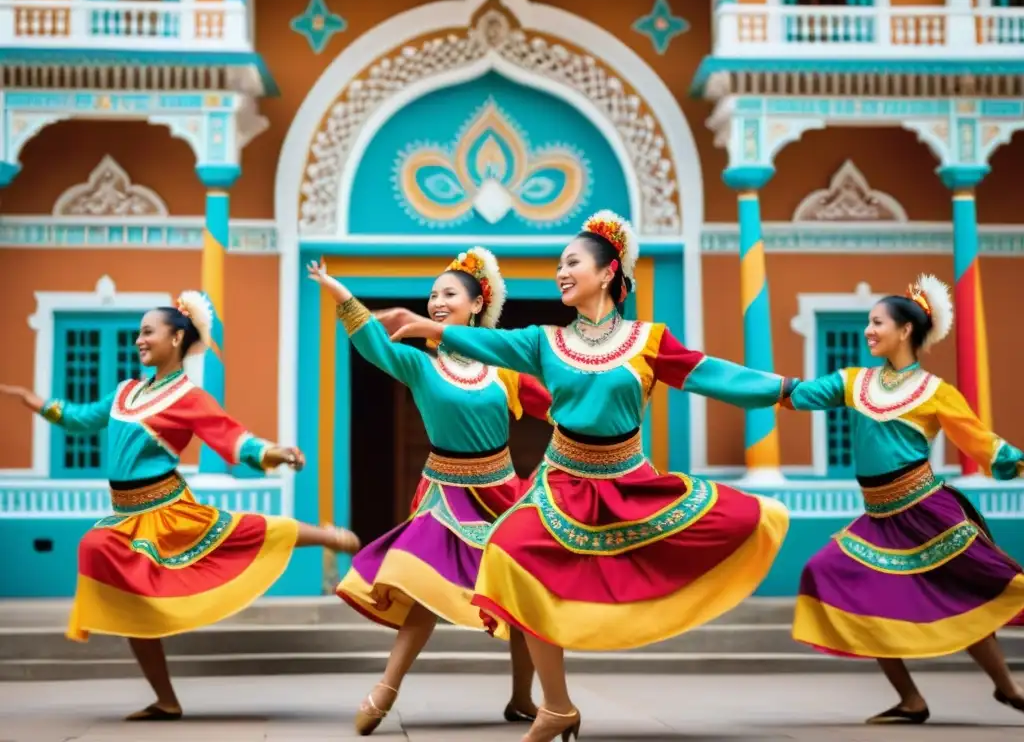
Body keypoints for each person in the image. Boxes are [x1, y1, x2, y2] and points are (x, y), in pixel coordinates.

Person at [386, 210, 794, 742]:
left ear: (607, 273)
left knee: (744, 519)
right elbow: (487, 345)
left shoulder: (649, 340)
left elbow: (712, 374)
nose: (560, 271)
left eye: (572, 262)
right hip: (559, 480)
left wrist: (784, 389)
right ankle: (555, 705)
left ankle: (556, 697)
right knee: (509, 553)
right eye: (559, 264)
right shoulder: (544, 341)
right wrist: (427, 327)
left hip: (627, 481)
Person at [0, 291, 360, 722]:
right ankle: (166, 700)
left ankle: (325, 535)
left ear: (174, 339)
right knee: (101, 556)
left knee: (246, 532)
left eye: (147, 332)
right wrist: (33, 399)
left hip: (168, 509)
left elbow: (231, 437)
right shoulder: (125, 392)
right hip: (125, 515)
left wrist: (275, 453)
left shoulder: (188, 396)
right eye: (138, 333)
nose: (138, 340)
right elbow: (81, 418)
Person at [308, 248, 552, 736]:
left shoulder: (504, 369)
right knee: (423, 589)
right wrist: (342, 295)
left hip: (503, 496)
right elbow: (375, 345)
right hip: (446, 495)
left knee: (523, 595)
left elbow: (560, 409)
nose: (437, 302)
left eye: (449, 294)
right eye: (432, 295)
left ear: (476, 303)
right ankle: (385, 689)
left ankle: (524, 697)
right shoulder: (422, 366)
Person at [782, 273, 1024, 725]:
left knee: (968, 593)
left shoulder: (936, 392)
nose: (868, 331)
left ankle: (1008, 688)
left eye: (877, 322)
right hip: (879, 519)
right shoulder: (853, 382)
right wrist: (722, 379)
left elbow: (984, 445)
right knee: (833, 577)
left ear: (905, 330)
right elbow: (795, 394)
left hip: (929, 513)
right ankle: (911, 700)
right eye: (868, 323)